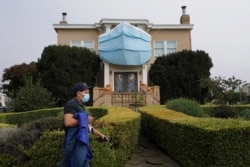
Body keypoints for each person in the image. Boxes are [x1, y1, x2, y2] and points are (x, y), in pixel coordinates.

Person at [60, 82, 108, 167]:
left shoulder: (81, 106)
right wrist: (85, 119)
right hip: (74, 144)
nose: (88, 95)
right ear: (79, 93)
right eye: (86, 92)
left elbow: (87, 126)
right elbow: (68, 122)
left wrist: (100, 135)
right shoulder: (71, 104)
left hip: (82, 143)